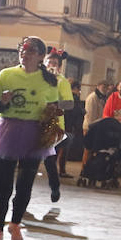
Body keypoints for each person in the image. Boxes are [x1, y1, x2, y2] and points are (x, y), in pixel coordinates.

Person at [0, 35, 62, 240]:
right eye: (22, 50)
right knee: (3, 188)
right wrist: (3, 103)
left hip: (34, 134)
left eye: (31, 51)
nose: (25, 54)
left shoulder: (50, 81)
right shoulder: (7, 75)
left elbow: (53, 109)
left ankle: (15, 224)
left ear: (41, 56)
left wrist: (52, 116)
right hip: (6, 131)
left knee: (25, 186)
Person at [38, 50, 74, 205]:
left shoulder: (62, 81)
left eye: (54, 64)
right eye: (48, 62)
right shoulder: (38, 78)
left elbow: (69, 103)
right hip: (34, 121)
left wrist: (53, 105)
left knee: (49, 159)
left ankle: (55, 187)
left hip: (53, 125)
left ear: (59, 67)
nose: (50, 66)